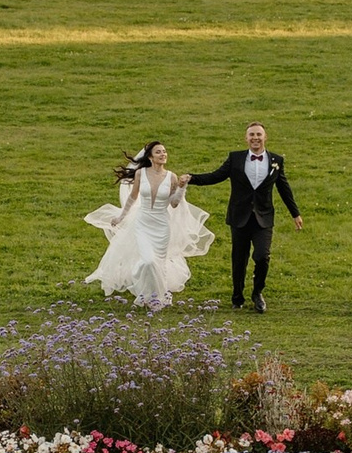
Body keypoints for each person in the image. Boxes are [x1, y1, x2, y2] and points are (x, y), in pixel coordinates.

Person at [183, 122, 302, 312]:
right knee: (239, 258)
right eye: (252, 135)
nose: (255, 138)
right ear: (246, 138)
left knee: (262, 256)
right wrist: (192, 178)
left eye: (259, 134)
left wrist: (295, 213)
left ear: (265, 137)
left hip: (263, 217)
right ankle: (237, 296)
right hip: (239, 216)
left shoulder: (276, 161)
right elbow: (216, 176)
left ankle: (257, 293)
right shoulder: (235, 158)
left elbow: (284, 188)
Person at [82, 141, 213, 310]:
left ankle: (156, 297)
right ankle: (144, 289)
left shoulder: (171, 176)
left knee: (158, 262)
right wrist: (121, 216)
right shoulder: (141, 174)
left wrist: (181, 188)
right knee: (147, 261)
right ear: (150, 157)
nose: (163, 154)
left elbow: (173, 203)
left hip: (162, 226)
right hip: (143, 224)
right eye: (158, 152)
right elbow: (132, 197)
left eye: (164, 151)